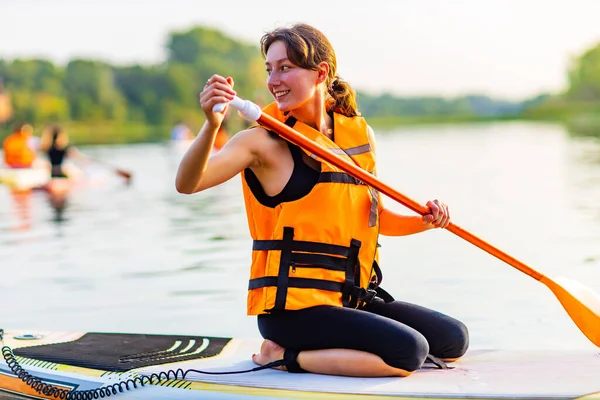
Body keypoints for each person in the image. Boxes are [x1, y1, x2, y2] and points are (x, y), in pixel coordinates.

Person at [176, 23, 469, 378]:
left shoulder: (358, 137)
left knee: (453, 340)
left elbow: (374, 221)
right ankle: (282, 355)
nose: (274, 79)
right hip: (292, 312)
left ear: (321, 72)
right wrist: (211, 124)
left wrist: (425, 221)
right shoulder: (260, 143)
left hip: (348, 298)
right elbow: (188, 184)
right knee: (407, 353)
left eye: (285, 67)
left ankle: (322, 346)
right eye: (270, 69)